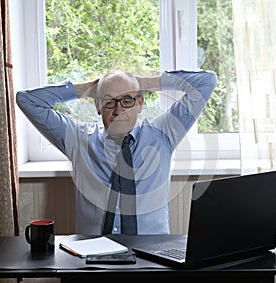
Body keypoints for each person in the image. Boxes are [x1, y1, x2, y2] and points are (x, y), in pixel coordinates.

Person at [16, 69, 217, 235]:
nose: (118, 110)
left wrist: (148, 83)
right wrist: (84, 90)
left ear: (140, 103)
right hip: (92, 257)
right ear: (98, 106)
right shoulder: (77, 139)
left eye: (127, 100)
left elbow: (207, 81)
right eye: (109, 101)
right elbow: (27, 100)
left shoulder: (164, 134)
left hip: (153, 256)